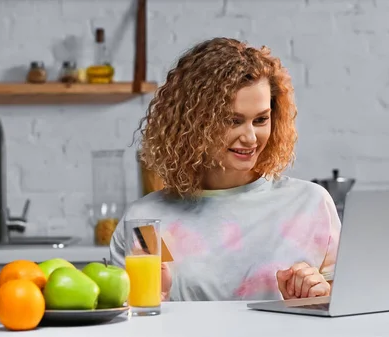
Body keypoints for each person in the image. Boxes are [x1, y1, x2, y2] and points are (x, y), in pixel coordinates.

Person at [110, 37, 341, 302]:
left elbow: (346, 309)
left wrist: (316, 298)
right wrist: (155, 302)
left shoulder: (311, 203)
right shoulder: (147, 221)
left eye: (261, 120)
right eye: (233, 121)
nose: (251, 138)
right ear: (194, 123)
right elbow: (129, 319)